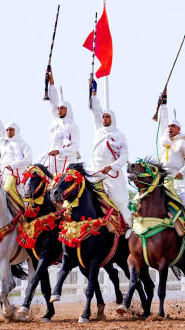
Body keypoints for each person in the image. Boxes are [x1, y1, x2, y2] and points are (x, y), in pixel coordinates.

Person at [88, 95, 131, 229]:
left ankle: (128, 226)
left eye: (107, 117)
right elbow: (95, 111)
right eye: (103, 117)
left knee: (119, 201)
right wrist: (93, 94)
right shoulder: (98, 131)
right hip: (94, 169)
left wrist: (111, 167)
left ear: (112, 119)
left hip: (111, 172)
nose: (104, 119)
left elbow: (124, 155)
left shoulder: (119, 134)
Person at [157, 90, 185, 219]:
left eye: (173, 126)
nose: (170, 128)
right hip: (163, 178)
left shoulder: (182, 142)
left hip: (178, 179)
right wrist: (164, 104)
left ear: (178, 129)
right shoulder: (164, 140)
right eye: (169, 126)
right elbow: (163, 121)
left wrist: (182, 172)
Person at [0, 99, 33, 201]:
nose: (8, 132)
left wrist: (13, 165)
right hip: (3, 175)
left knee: (11, 190)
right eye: (7, 130)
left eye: (11, 130)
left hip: (17, 176)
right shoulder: (4, 141)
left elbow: (29, 159)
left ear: (16, 131)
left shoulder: (22, 143)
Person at [43, 72, 80, 175]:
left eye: (62, 108)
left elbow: (75, 146)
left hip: (68, 161)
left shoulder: (72, 126)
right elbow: (53, 102)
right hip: (53, 160)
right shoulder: (56, 122)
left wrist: (60, 151)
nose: (59, 110)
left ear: (67, 110)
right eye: (58, 108)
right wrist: (51, 82)